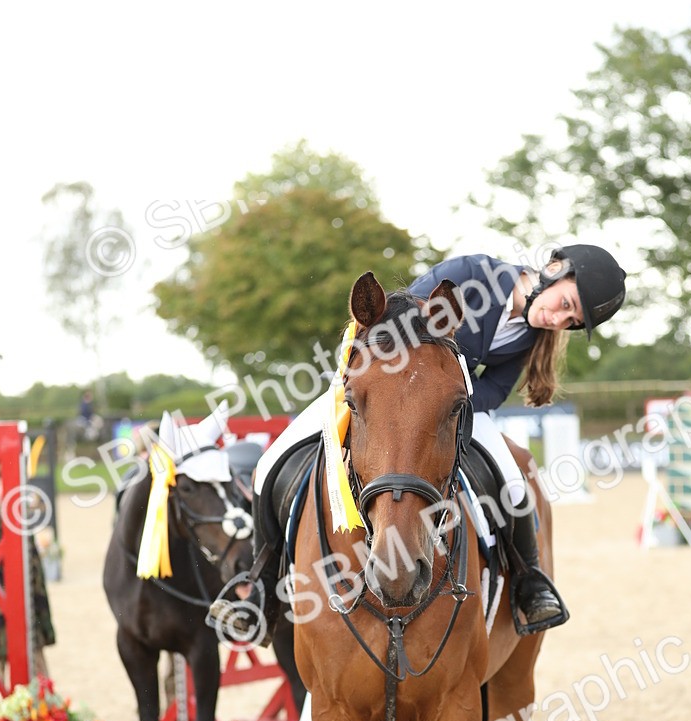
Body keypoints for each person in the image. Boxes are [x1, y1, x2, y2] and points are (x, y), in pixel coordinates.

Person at [244, 243, 627, 642]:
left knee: (515, 478)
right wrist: (426, 389)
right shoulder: (473, 275)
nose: (559, 318)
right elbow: (401, 321)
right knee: (271, 461)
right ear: (553, 269)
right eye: (566, 303)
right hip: (380, 387)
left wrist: (446, 398)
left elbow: (495, 390)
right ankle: (258, 585)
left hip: (450, 408)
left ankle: (530, 581)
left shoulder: (529, 334)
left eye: (571, 320)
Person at [0, 464, 56, 687]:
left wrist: (43, 626)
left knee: (40, 691)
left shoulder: (19, 521)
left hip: (25, 623)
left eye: (2, 484)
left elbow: (36, 580)